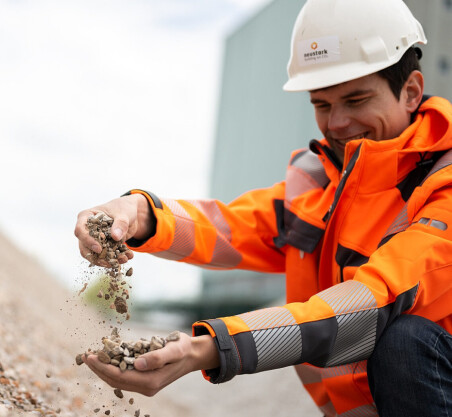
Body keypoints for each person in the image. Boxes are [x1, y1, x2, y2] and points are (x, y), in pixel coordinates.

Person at [73, 1, 452, 416]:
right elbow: (230, 228)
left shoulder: (444, 183)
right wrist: (139, 214)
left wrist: (209, 348)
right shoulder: (322, 185)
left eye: (356, 100)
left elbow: (371, 301)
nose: (337, 124)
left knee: (405, 341)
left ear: (411, 91)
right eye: (321, 105)